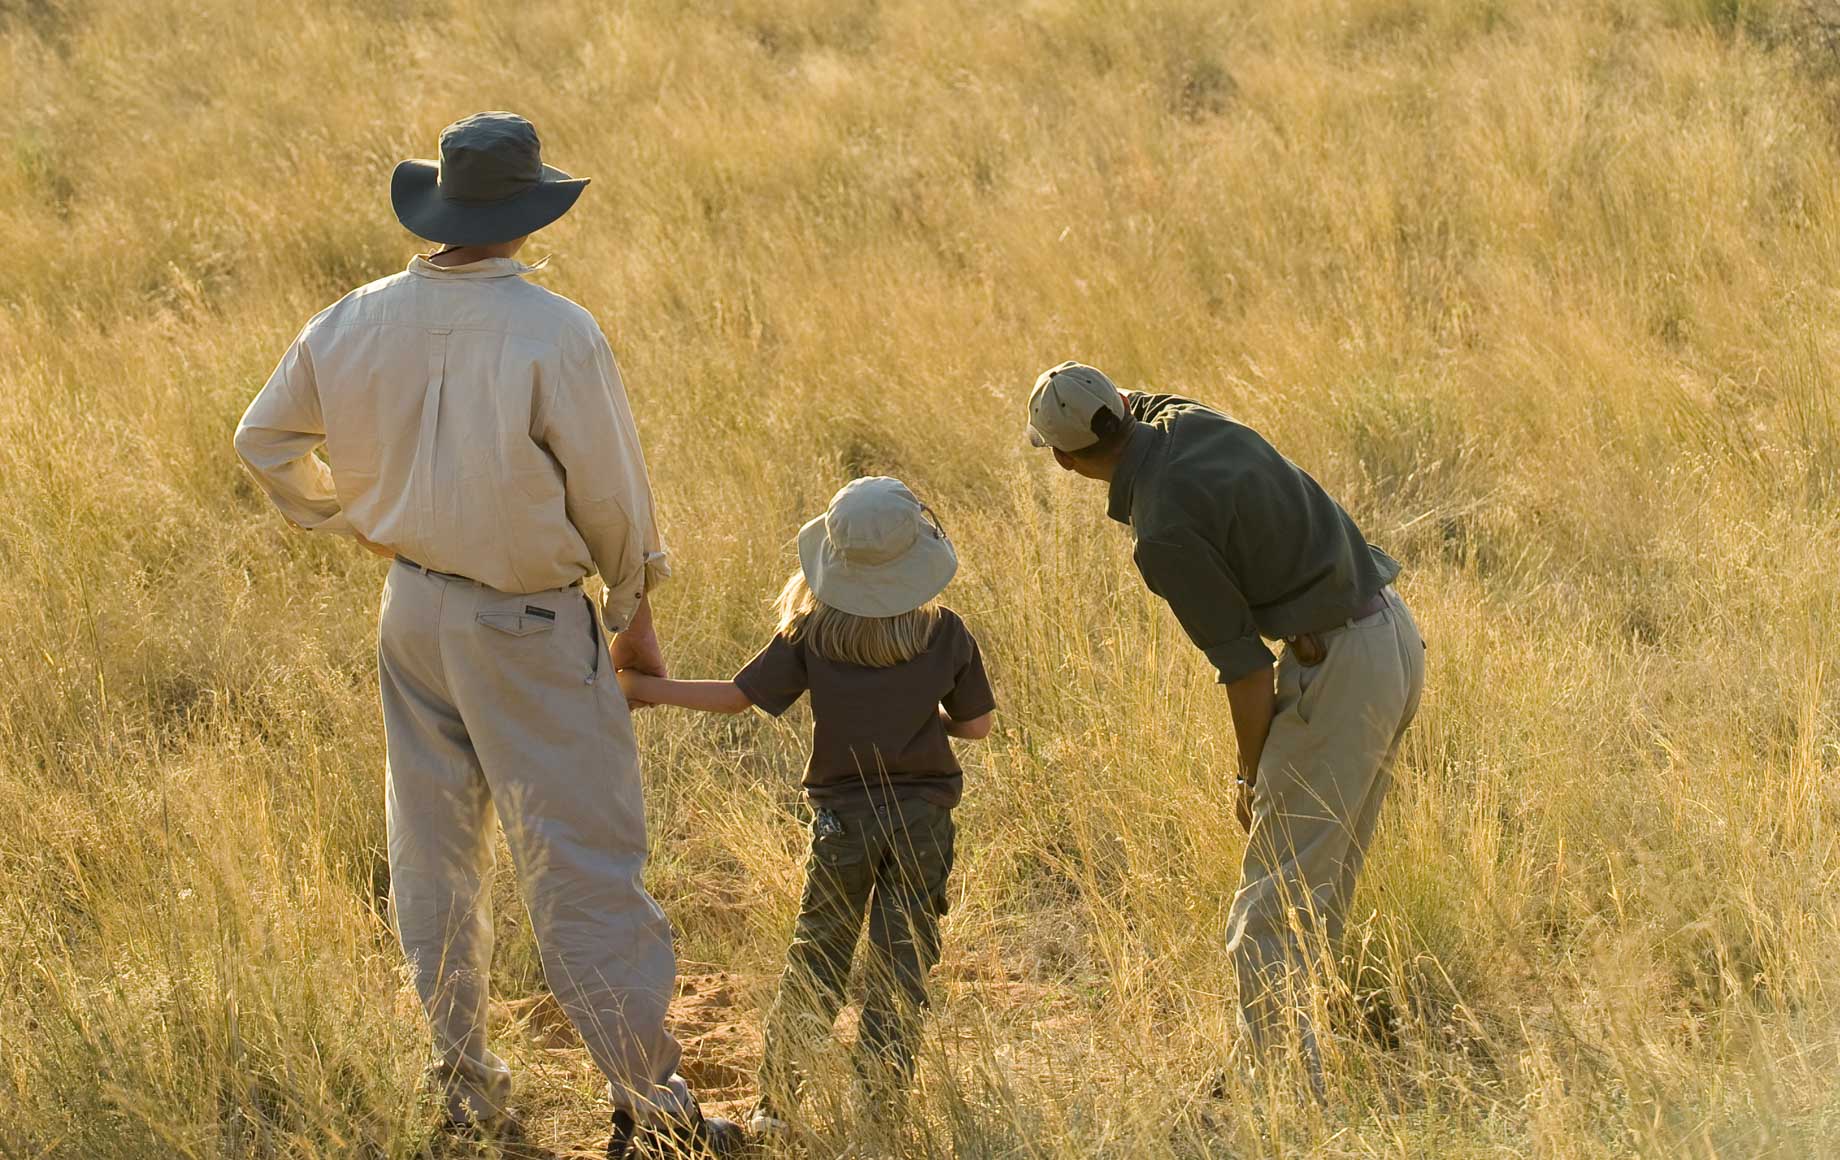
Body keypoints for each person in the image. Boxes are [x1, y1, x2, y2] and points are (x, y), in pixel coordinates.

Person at [233, 111, 740, 1158]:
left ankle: (465, 1089)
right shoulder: (556, 328)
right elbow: (611, 502)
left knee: (433, 855)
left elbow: (263, 437)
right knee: (580, 859)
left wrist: (354, 512)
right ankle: (653, 1111)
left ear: (443, 205)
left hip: (410, 608)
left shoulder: (354, 315)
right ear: (525, 211)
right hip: (524, 619)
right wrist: (632, 616)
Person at [1025, 361, 1426, 1090]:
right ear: (1125, 406)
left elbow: (1246, 673)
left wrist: (1248, 772)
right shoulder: (1187, 416)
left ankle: (1285, 1105)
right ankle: (1281, 1063)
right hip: (1392, 636)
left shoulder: (1162, 531)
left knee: (1267, 915)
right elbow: (1133, 401)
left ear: (1063, 458)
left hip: (1338, 671)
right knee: (1319, 888)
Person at [618, 476, 995, 1138]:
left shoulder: (813, 632)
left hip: (842, 822)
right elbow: (977, 727)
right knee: (901, 962)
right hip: (924, 819)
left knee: (818, 956)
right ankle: (881, 1112)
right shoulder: (946, 633)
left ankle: (777, 1110)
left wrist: (648, 687)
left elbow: (738, 696)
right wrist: (925, 714)